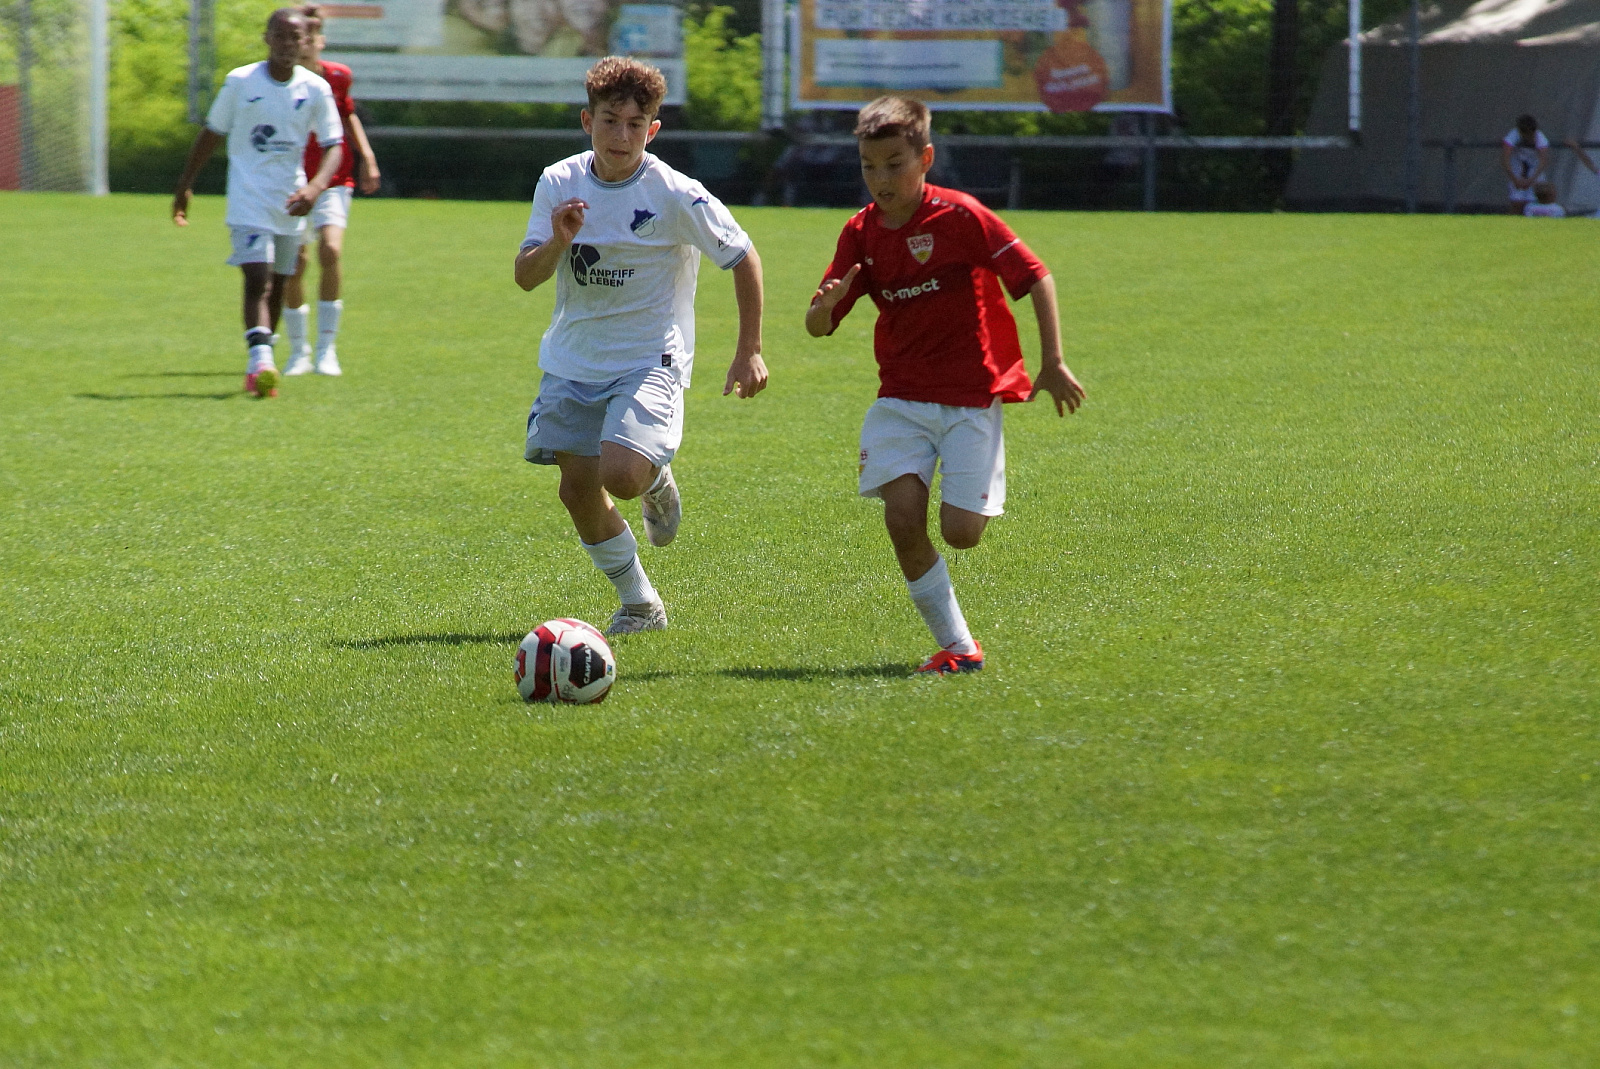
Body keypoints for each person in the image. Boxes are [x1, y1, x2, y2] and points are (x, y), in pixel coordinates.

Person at [804, 96, 1085, 676]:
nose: (880, 179)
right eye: (869, 166)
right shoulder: (860, 232)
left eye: (894, 164)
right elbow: (818, 327)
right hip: (900, 399)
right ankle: (960, 647)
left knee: (961, 534)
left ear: (925, 158)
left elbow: (1036, 276)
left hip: (970, 398)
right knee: (902, 519)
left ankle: (976, 492)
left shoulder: (961, 217)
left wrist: (1053, 361)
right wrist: (824, 308)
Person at [513, 56, 767, 636]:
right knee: (577, 491)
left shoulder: (676, 193)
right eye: (610, 121)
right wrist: (558, 241)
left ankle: (653, 481)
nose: (621, 136)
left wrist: (749, 349)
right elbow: (526, 276)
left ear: (652, 130)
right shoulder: (559, 182)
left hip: (650, 357)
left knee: (622, 475)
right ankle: (640, 605)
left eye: (635, 124)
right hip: (573, 358)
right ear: (588, 121)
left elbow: (743, 257)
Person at [171, 8, 344, 398]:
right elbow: (212, 133)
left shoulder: (315, 88)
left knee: (280, 283)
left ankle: (263, 358)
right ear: (267, 38)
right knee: (257, 279)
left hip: (291, 200)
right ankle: (260, 361)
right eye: (280, 36)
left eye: (295, 38)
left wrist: (315, 188)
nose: (287, 44)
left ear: (305, 42)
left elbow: (334, 144)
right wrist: (185, 184)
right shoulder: (241, 81)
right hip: (247, 199)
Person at [281, 3, 382, 378]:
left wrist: (367, 157)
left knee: (331, 249)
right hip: (291, 181)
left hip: (333, 178)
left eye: (313, 33)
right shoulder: (281, 80)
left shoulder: (337, 76)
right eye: (301, 34)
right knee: (295, 263)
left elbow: (347, 114)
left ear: (321, 39)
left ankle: (327, 349)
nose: (306, 41)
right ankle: (299, 351)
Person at [1502, 114, 1549, 215]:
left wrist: (1531, 180)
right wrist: (1514, 179)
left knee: (1534, 201)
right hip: (1517, 172)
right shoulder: (1513, 135)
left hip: (1535, 173)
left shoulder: (1540, 137)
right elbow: (1505, 158)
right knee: (1516, 202)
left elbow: (1543, 160)